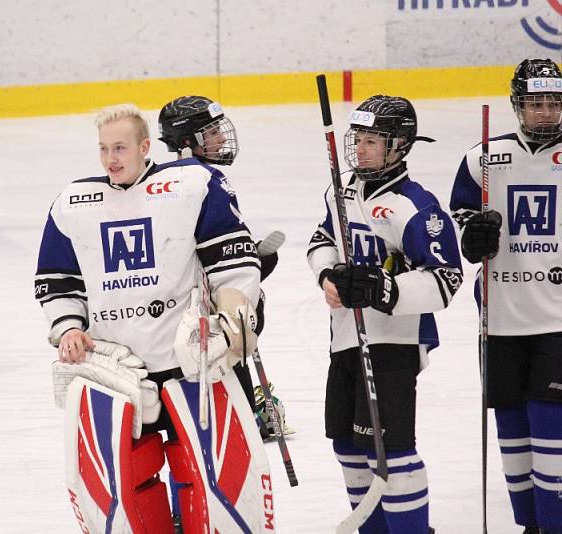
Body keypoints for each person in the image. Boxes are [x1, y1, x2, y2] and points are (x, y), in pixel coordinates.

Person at [35, 103, 273, 533]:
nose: (111, 158)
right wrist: (69, 325)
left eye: (121, 147)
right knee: (129, 485)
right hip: (117, 373)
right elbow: (57, 281)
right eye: (104, 149)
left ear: (146, 147)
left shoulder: (193, 185)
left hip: (189, 366)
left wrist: (236, 312)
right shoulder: (74, 203)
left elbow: (231, 263)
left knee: (203, 476)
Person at [307, 95, 462, 533]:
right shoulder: (342, 192)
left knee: (390, 448)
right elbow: (321, 242)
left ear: (399, 146)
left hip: (394, 341)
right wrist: (327, 276)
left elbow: (446, 280)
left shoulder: (416, 206)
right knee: (346, 442)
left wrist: (384, 288)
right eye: (357, 138)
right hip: (345, 338)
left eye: (372, 140)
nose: (360, 148)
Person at [450, 58, 562, 534]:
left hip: (557, 317)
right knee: (512, 424)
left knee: (550, 420)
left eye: (553, 102)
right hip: (499, 316)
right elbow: (456, 219)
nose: (545, 112)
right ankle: (529, 524)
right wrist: (471, 235)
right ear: (518, 105)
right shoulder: (484, 157)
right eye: (535, 103)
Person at [157, 95, 291, 440]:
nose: (220, 138)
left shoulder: (160, 178)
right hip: (197, 300)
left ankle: (247, 407)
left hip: (169, 301)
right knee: (236, 328)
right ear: (188, 141)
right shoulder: (206, 179)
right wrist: (249, 266)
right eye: (211, 132)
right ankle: (250, 409)